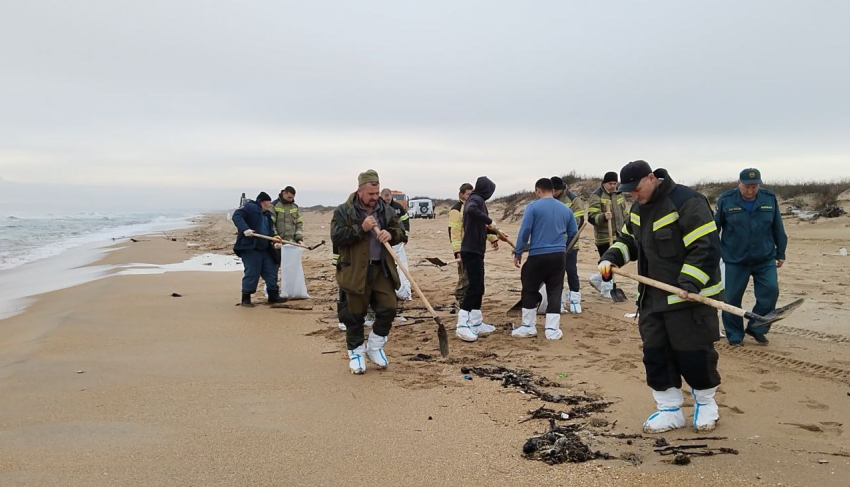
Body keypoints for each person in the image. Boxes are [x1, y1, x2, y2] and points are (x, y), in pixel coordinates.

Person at [598, 160, 723, 433]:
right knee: (656, 355)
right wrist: (611, 258)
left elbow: (707, 246)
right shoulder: (637, 209)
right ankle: (669, 410)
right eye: (628, 191)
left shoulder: (688, 202)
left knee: (694, 354)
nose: (633, 194)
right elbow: (628, 239)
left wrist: (690, 282)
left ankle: (706, 404)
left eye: (636, 188)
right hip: (652, 299)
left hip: (687, 298)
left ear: (652, 178)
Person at [331, 170, 406, 374]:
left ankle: (375, 346)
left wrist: (391, 234)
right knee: (354, 314)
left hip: (381, 268)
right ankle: (356, 352)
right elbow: (337, 238)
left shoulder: (386, 210)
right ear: (360, 190)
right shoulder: (343, 211)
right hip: (354, 271)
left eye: (377, 193)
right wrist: (361, 228)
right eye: (371, 194)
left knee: (389, 307)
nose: (375, 198)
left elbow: (401, 232)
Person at [715, 168, 787, 346]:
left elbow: (777, 227)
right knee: (731, 299)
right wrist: (710, 252)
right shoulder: (726, 200)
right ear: (739, 183)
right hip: (735, 259)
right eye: (747, 186)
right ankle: (734, 334)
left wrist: (781, 251)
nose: (750, 190)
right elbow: (713, 228)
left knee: (770, 292)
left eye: (754, 187)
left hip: (764, 257)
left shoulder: (769, 199)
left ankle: (757, 327)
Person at [512, 178, 577, 340]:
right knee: (555, 290)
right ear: (552, 189)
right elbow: (574, 232)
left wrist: (519, 251)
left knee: (529, 288)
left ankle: (528, 326)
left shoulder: (533, 207)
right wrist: (564, 248)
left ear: (538, 190)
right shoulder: (565, 209)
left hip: (538, 255)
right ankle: (552, 330)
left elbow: (525, 230)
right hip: (558, 256)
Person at [456, 176, 503, 342]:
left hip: (477, 250)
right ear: (486, 190)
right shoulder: (475, 199)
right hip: (471, 250)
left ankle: (476, 322)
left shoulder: (479, 200)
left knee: (479, 286)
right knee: (474, 287)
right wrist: (489, 220)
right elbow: (470, 210)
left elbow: (480, 227)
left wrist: (495, 234)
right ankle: (462, 325)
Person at [232, 192, 286, 307]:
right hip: (251, 248)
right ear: (263, 201)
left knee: (271, 271)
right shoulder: (251, 207)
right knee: (252, 273)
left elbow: (270, 231)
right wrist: (245, 229)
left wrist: (274, 239)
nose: (270, 204)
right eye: (269, 202)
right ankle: (246, 298)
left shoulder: (267, 215)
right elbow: (237, 216)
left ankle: (273, 296)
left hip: (265, 249)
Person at [448, 183, 497, 305]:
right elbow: (454, 232)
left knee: (475, 280)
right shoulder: (457, 210)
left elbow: (482, 226)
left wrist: (493, 238)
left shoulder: (477, 205)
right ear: (462, 195)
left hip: (476, 246)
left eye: (472, 193)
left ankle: (471, 308)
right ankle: (462, 303)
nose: (470, 196)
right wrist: (457, 251)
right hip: (466, 248)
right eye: (468, 194)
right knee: (465, 279)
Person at [587, 171, 629, 298]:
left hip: (619, 234)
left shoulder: (619, 194)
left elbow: (624, 212)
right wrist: (603, 217)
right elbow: (591, 217)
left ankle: (596, 278)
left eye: (615, 183)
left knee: (616, 261)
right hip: (604, 236)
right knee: (607, 262)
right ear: (605, 183)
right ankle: (606, 289)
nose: (613, 186)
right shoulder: (597, 196)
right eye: (610, 183)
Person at [552, 176, 585, 313]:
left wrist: (564, 232)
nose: (553, 193)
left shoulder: (573, 199)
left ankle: (575, 299)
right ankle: (558, 300)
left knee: (571, 271)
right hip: (554, 244)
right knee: (556, 274)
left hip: (571, 242)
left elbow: (579, 220)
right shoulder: (548, 200)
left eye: (555, 190)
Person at [381, 188, 412, 300]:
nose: (387, 199)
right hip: (384, 243)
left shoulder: (398, 208)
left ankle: (405, 291)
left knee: (401, 266)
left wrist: (404, 236)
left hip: (397, 241)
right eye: (385, 198)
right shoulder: (379, 208)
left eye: (389, 197)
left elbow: (405, 222)